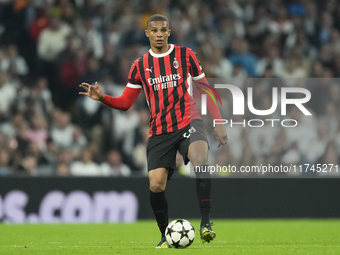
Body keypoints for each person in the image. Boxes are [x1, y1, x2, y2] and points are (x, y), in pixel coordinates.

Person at [79, 14, 228, 248]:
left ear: (169, 32)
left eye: (163, 30)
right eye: (154, 30)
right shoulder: (139, 65)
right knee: (156, 185)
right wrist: (103, 98)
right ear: (147, 33)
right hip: (160, 131)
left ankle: (206, 223)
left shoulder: (185, 55)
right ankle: (164, 235)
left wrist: (218, 121)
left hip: (188, 121)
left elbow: (205, 88)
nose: (159, 34)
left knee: (200, 160)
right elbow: (126, 102)